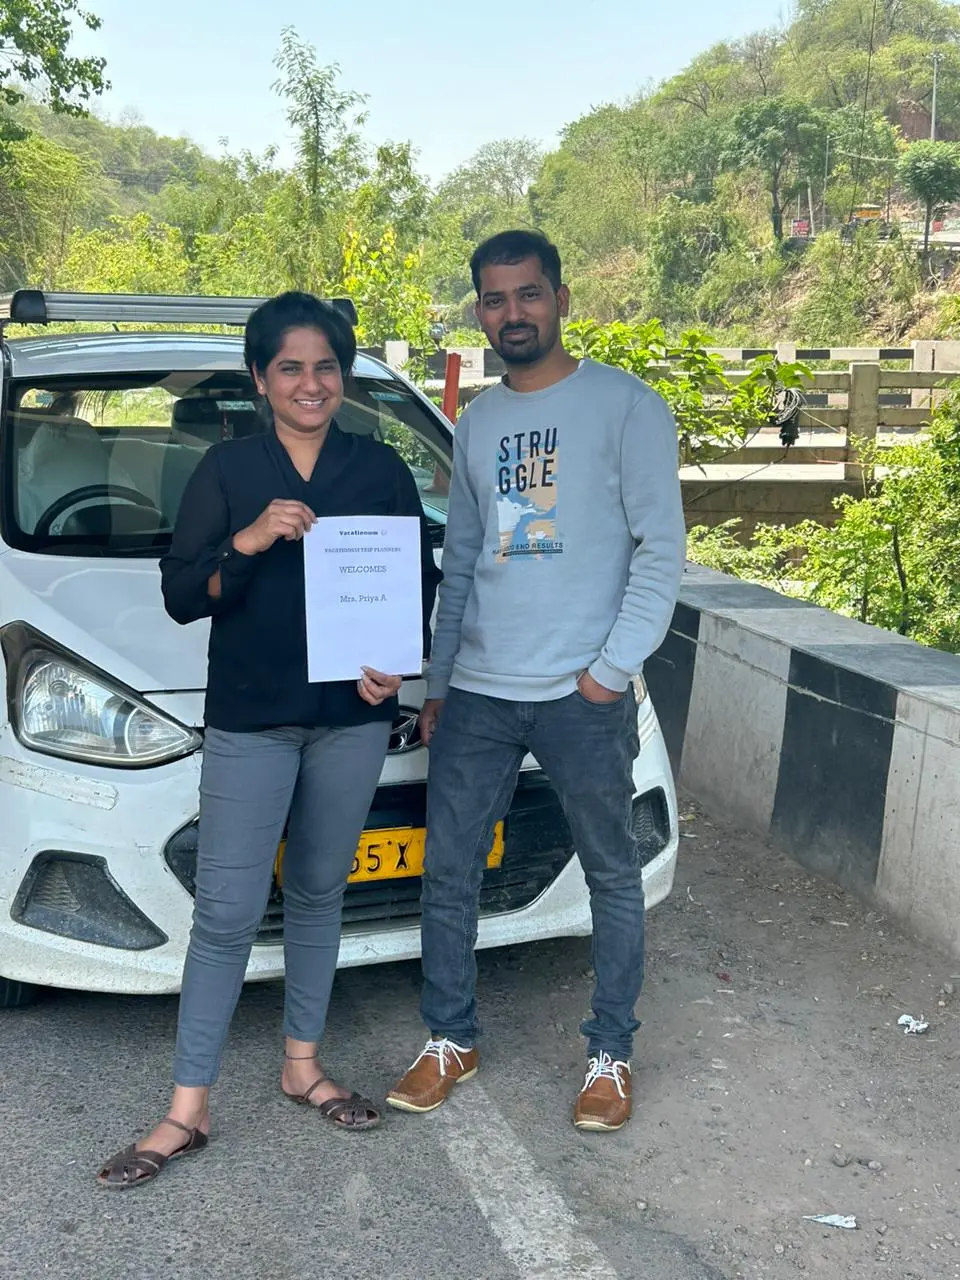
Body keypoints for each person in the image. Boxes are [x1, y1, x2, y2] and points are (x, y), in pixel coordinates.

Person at [98, 291, 440, 1188]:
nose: (310, 382)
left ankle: (303, 1067)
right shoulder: (227, 470)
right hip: (252, 717)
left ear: (345, 375)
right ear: (260, 379)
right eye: (289, 367)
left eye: (325, 366)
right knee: (226, 913)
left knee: (322, 890)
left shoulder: (380, 471)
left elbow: (418, 582)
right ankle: (187, 1110)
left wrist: (395, 665)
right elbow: (182, 593)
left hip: (351, 721)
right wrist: (247, 541)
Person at [386, 230, 685, 1133]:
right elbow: (465, 557)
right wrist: (439, 682)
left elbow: (661, 553)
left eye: (527, 295)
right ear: (478, 310)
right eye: (493, 298)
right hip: (477, 689)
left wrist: (609, 673)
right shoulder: (476, 424)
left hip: (578, 694)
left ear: (559, 297)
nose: (511, 313)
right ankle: (451, 1037)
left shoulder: (627, 407)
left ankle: (610, 1053)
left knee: (611, 873)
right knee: (447, 871)